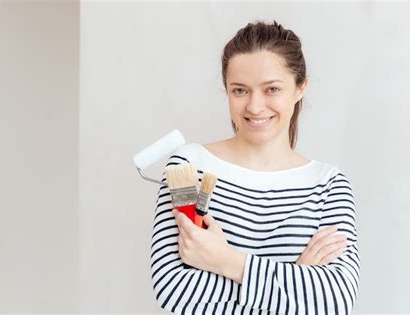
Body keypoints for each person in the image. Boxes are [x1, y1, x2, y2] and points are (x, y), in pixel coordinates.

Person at [150, 20, 360, 314]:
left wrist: (224, 261)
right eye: (239, 91)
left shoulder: (328, 185)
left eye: (271, 89)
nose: (255, 106)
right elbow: (178, 293)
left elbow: (334, 301)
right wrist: (295, 278)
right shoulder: (190, 167)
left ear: (300, 88)